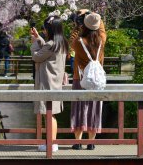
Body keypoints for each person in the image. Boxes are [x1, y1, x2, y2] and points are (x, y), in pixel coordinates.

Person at [69, 10, 107, 150]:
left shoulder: (78, 42)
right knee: (95, 108)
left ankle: (78, 142)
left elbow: (71, 42)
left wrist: (77, 24)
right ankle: (91, 142)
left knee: (79, 108)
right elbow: (100, 26)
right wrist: (92, 14)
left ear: (83, 25)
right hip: (97, 81)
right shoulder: (102, 38)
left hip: (80, 79)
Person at [31, 16, 69, 152]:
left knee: (48, 115)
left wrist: (35, 42)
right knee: (51, 114)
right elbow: (46, 50)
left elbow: (36, 56)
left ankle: (50, 144)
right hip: (55, 83)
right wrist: (39, 38)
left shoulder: (51, 44)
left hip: (46, 83)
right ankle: (52, 143)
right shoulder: (62, 43)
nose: (44, 31)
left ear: (51, 29)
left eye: (45, 29)